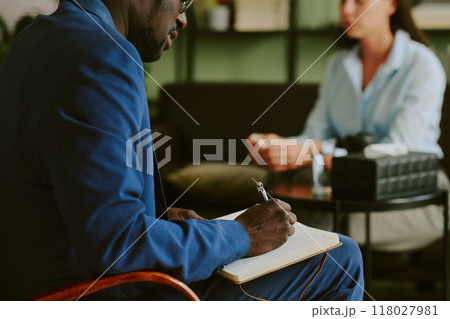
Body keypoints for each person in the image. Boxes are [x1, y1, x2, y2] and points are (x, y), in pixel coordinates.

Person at [0, 0, 364, 301]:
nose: (184, 18)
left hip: (33, 287)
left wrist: (156, 218)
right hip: (92, 295)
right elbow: (116, 243)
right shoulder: (105, 56)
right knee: (340, 256)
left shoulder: (34, 41)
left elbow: (66, 190)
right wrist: (242, 235)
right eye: (183, 1)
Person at [249, 0, 448, 252]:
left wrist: (314, 153)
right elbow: (315, 134)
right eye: (343, 0)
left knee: (333, 225)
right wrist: (282, 146)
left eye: (359, 1)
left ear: (392, 4)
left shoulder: (423, 66)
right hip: (347, 186)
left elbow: (395, 152)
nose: (346, 10)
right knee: (288, 207)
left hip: (410, 190)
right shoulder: (339, 65)